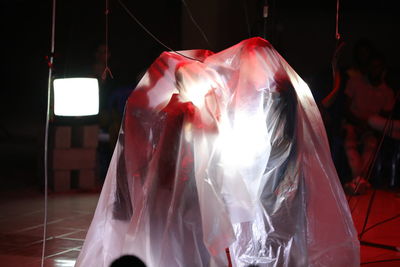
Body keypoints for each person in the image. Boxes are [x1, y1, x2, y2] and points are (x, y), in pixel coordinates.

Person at [75, 37, 359, 267]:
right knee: (186, 241)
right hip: (188, 196)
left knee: (176, 240)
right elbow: (213, 159)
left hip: (177, 195)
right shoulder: (195, 114)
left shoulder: (175, 110)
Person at [343, 51, 395, 194]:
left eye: (378, 67)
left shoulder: (387, 91)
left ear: (383, 69)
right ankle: (359, 180)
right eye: (372, 66)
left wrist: (369, 126)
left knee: (371, 146)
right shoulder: (355, 82)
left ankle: (357, 181)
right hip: (352, 123)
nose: (374, 70)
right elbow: (345, 107)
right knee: (350, 145)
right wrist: (357, 122)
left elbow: (384, 119)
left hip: (370, 129)